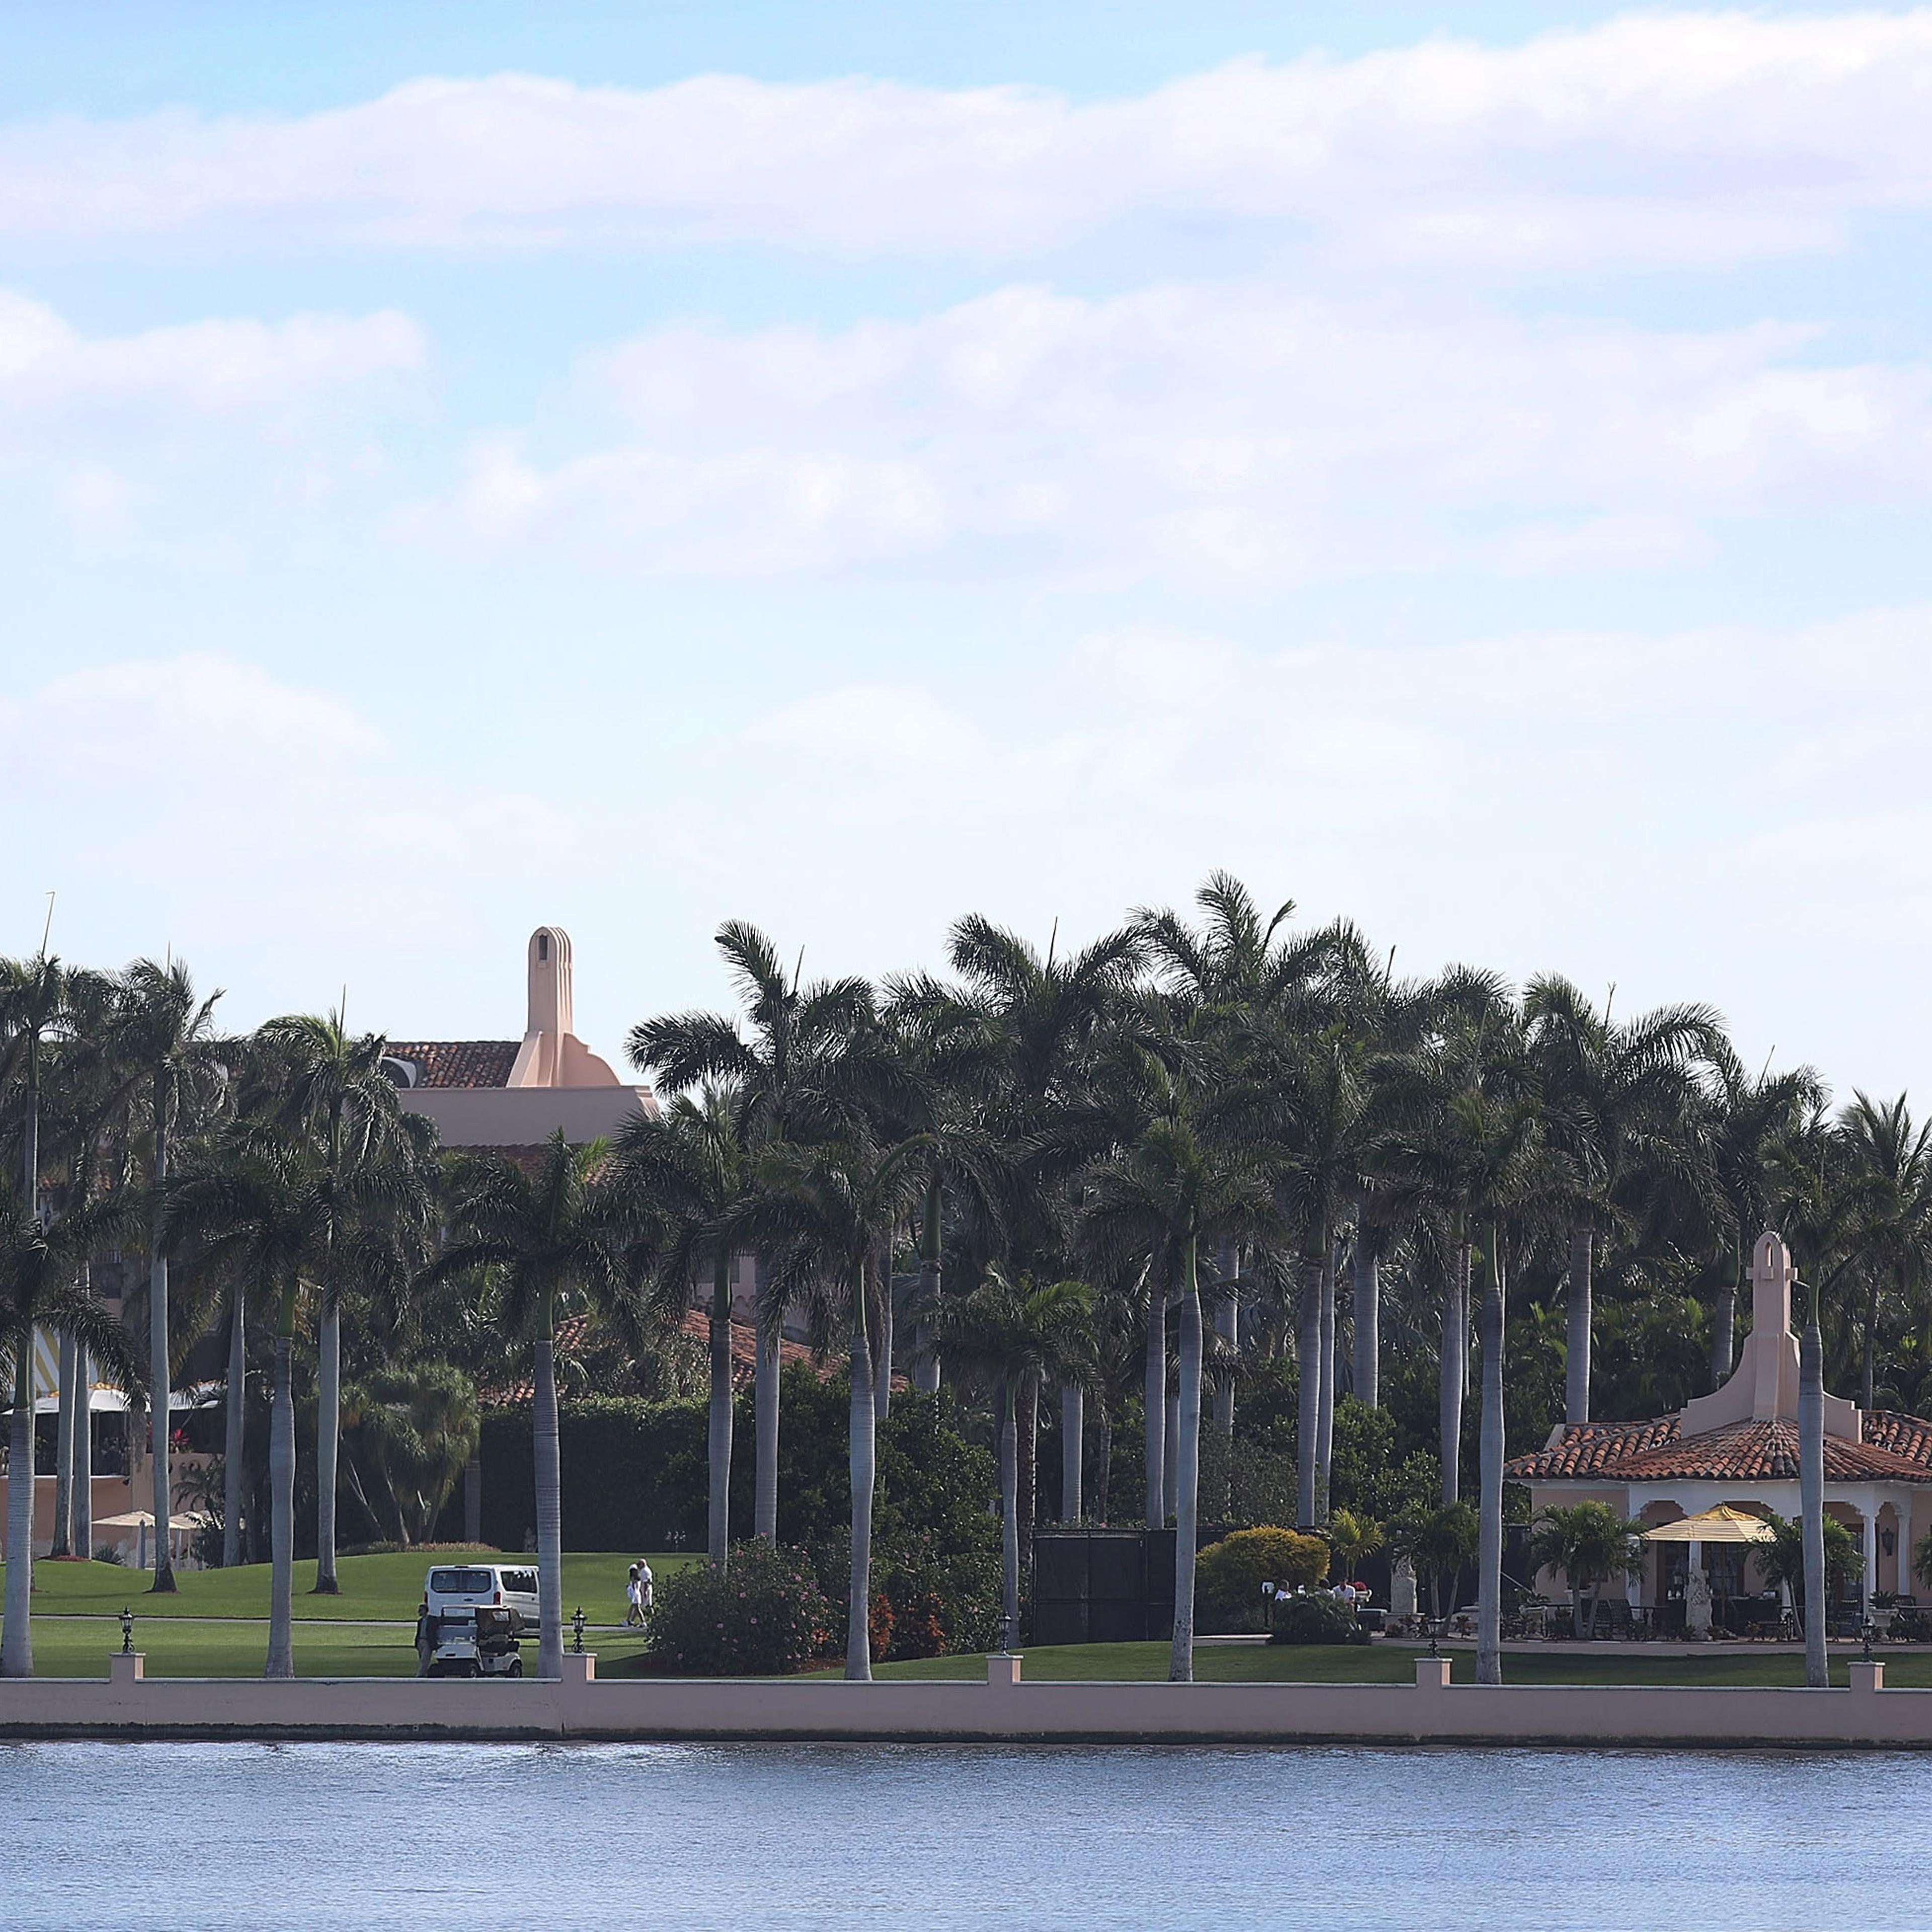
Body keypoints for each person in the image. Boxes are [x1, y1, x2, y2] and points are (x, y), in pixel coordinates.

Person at [624, 1564, 643, 1628]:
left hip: (636, 1595)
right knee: (633, 1608)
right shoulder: (638, 1578)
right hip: (637, 1594)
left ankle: (643, 1622)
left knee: (637, 1609)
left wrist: (630, 1587)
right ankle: (628, 1621)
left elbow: (634, 1587)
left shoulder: (634, 1579)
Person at [636, 1557, 655, 1622]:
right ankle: (650, 1618)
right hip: (647, 1589)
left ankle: (650, 1618)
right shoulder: (647, 1570)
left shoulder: (644, 1571)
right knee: (648, 1605)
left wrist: (645, 1592)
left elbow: (646, 1582)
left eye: (639, 1564)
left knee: (646, 1605)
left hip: (646, 1589)